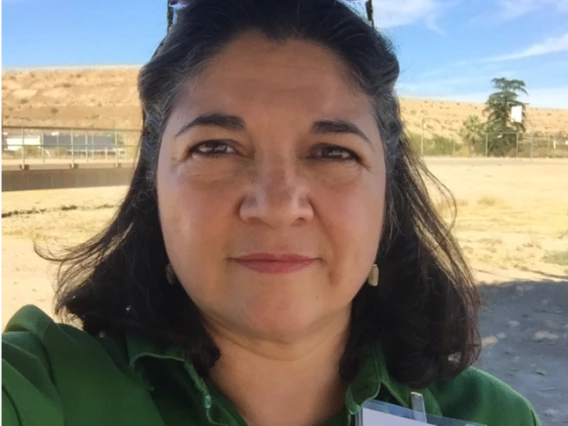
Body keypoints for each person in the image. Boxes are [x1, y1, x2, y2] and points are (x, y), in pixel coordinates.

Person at [0, 1, 541, 425]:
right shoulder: (44, 389)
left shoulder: (492, 419)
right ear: (152, 186)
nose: (277, 205)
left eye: (333, 152)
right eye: (215, 148)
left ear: (388, 196)